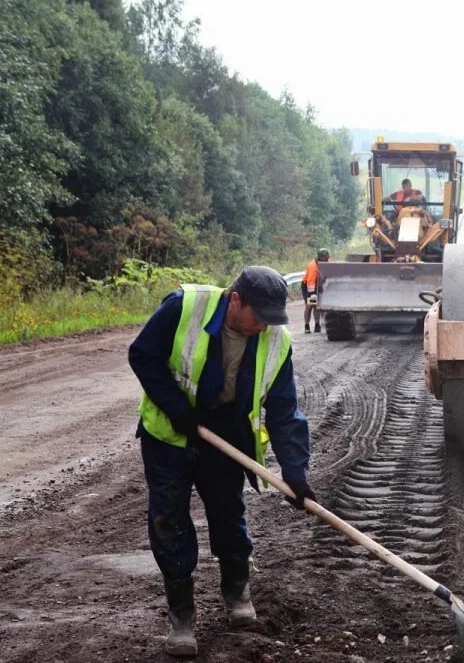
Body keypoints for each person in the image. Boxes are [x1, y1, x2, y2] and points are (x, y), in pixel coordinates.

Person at [128, 266, 316, 657]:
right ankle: (182, 617)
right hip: (170, 433)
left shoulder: (276, 341)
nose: (264, 326)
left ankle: (237, 596)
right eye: (258, 316)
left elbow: (284, 411)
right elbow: (142, 355)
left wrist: (295, 473)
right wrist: (177, 408)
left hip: (225, 433)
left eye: (271, 319)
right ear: (235, 300)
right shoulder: (185, 307)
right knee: (169, 521)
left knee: (229, 514)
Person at [303, 248, 329, 333]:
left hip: (317, 285)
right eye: (326, 258)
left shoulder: (325, 263)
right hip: (308, 286)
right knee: (310, 304)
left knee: (316, 305)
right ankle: (307, 326)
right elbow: (310, 281)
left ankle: (317, 325)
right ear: (321, 257)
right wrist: (312, 293)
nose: (327, 260)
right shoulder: (312, 266)